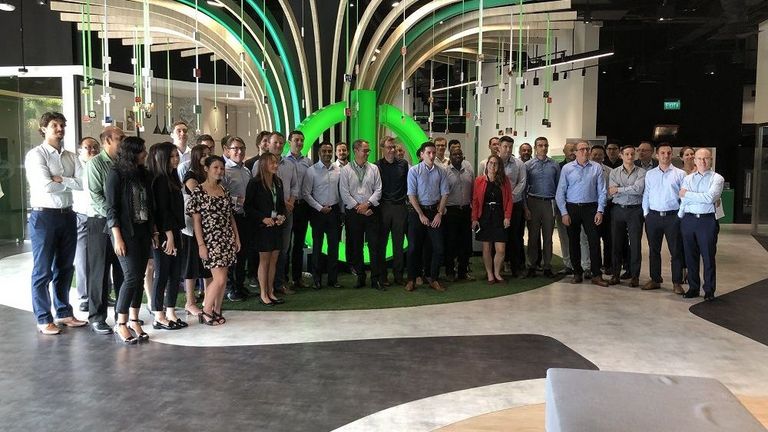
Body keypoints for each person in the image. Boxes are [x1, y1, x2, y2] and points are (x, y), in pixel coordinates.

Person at [25, 112, 87, 335]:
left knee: (65, 268)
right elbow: (46, 186)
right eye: (54, 125)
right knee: (42, 271)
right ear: (44, 129)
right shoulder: (36, 155)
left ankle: (64, 313)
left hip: (68, 215)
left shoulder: (71, 156)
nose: (60, 129)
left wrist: (61, 179)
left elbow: (83, 183)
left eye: (62, 125)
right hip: (44, 217)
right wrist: (68, 182)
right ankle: (43, 318)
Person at [105, 136, 152, 344]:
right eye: (142, 150)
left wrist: (154, 232)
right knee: (131, 277)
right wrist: (117, 237)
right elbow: (111, 209)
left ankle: (134, 319)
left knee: (139, 277)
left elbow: (149, 205)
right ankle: (121, 323)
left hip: (143, 231)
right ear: (132, 153)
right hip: (124, 232)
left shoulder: (143, 174)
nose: (145, 153)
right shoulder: (116, 173)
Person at [187, 155, 241, 325]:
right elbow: (196, 222)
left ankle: (217, 310)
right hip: (210, 239)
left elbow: (231, 217)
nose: (219, 171)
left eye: (222, 168)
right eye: (215, 167)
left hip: (226, 238)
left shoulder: (224, 190)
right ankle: (206, 310)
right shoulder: (198, 191)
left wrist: (236, 237)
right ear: (207, 169)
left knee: (223, 277)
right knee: (219, 279)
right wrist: (201, 245)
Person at [86, 126, 126, 335]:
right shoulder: (95, 164)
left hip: (121, 222)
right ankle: (97, 317)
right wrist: (115, 217)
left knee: (122, 270)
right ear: (107, 141)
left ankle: (122, 315)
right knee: (100, 271)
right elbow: (96, 196)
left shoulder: (123, 164)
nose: (123, 141)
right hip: (100, 222)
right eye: (120, 138)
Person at [555, 140, 609, 286]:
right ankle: (577, 273)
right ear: (576, 152)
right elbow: (560, 192)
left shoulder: (596, 167)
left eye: (587, 149)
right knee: (573, 242)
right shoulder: (567, 168)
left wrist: (600, 210)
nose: (585, 151)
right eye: (582, 149)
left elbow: (602, 191)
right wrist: (564, 213)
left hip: (591, 208)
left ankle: (596, 274)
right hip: (572, 208)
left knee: (594, 241)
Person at [148, 142, 187, 330]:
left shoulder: (172, 177)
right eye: (171, 156)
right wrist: (169, 235)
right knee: (162, 273)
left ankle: (171, 312)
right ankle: (158, 315)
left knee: (174, 273)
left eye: (176, 155)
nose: (176, 159)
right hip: (164, 234)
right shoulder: (159, 179)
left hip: (176, 230)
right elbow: (162, 211)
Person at [254, 132, 299, 295]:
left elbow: (295, 186)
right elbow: (256, 192)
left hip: (285, 214)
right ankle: (264, 288)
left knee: (282, 250)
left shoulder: (289, 165)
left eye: (281, 143)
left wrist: (290, 203)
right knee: (266, 254)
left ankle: (278, 284)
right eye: (275, 143)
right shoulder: (259, 165)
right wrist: (280, 204)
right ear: (268, 144)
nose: (278, 145)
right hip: (265, 218)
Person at [679, 148, 724, 301]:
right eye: (699, 158)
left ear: (711, 160)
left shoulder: (717, 178)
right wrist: (681, 216)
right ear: (695, 160)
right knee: (690, 256)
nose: (702, 161)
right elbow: (683, 200)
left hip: (707, 221)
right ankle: (693, 287)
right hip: (688, 220)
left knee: (708, 256)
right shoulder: (688, 178)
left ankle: (709, 290)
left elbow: (710, 198)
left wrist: (688, 194)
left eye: (706, 158)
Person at [642, 142, 686, 294]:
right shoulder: (650, 174)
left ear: (672, 154)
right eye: (662, 153)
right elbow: (647, 194)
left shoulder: (680, 174)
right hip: (653, 216)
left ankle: (676, 282)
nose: (666, 155)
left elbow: (684, 197)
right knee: (654, 250)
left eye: (668, 153)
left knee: (676, 251)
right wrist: (646, 213)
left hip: (673, 217)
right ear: (657, 155)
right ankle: (655, 279)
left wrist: (680, 215)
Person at [339, 139, 384, 290]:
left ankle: (376, 279)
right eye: (365, 150)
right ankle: (360, 276)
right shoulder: (345, 170)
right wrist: (359, 207)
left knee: (374, 246)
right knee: (356, 246)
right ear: (356, 151)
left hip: (371, 212)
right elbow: (344, 193)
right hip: (354, 213)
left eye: (368, 150)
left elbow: (378, 190)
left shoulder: (374, 168)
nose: (367, 153)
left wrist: (367, 204)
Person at [405, 141, 449, 292]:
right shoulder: (414, 171)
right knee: (413, 248)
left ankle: (433, 278)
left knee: (439, 248)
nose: (432, 155)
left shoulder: (441, 171)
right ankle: (411, 279)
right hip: (417, 212)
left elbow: (445, 194)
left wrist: (439, 214)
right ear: (422, 154)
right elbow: (411, 194)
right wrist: (420, 214)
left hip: (434, 212)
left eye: (433, 153)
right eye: (428, 153)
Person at [245, 152, 287, 305]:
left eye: (276, 162)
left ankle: (271, 291)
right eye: (272, 163)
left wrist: (282, 216)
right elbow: (248, 207)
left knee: (274, 260)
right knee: (264, 261)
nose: (275, 165)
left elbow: (281, 204)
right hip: (262, 228)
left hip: (276, 227)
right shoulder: (254, 183)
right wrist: (263, 218)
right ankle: (263, 293)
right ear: (263, 165)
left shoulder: (278, 182)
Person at [483, 136, 526, 277]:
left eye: (510, 147)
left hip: (514, 205)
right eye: (505, 146)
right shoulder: (492, 162)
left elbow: (522, 183)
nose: (508, 149)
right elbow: (485, 183)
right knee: (496, 238)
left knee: (514, 237)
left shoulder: (519, 164)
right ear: (499, 147)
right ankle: (496, 269)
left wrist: (509, 198)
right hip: (496, 207)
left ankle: (516, 268)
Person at [302, 141, 342, 289]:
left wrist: (342, 212)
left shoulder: (338, 170)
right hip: (318, 213)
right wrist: (319, 208)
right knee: (317, 247)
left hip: (334, 212)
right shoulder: (311, 171)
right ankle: (317, 280)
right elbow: (306, 193)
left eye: (329, 151)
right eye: (324, 151)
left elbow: (341, 193)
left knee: (334, 247)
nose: (327, 154)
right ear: (319, 153)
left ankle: (333, 279)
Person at [607, 145, 646, 287]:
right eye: (627, 154)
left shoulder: (642, 172)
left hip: (635, 211)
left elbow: (638, 189)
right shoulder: (614, 172)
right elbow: (611, 192)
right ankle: (616, 274)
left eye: (632, 154)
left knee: (635, 244)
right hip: (618, 210)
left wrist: (619, 189)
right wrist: (622, 190)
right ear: (621, 156)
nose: (630, 156)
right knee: (616, 243)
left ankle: (635, 276)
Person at [180, 144, 211, 317]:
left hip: (207, 226)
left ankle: (208, 298)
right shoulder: (190, 175)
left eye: (208, 154)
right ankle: (190, 302)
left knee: (208, 264)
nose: (206, 157)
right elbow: (201, 196)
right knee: (190, 265)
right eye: (203, 155)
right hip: (191, 227)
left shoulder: (209, 174)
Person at [472, 155, 512, 284]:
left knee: (501, 249)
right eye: (490, 163)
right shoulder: (479, 180)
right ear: (487, 164)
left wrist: (507, 216)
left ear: (499, 166)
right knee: (487, 248)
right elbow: (475, 201)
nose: (493, 166)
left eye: (495, 163)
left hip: (500, 216)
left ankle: (497, 273)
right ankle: (489, 274)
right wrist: (474, 218)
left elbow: (509, 200)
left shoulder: (505, 181)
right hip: (485, 216)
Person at [524, 137, 559, 278]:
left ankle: (547, 266)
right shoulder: (528, 165)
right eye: (540, 145)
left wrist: (558, 206)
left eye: (545, 145)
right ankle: (532, 265)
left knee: (548, 237)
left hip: (549, 202)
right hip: (533, 202)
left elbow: (559, 186)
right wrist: (526, 208)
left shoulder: (555, 165)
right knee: (532, 236)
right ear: (535, 147)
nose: (543, 148)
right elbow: (524, 188)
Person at [376, 136, 409, 286]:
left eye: (393, 147)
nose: (392, 150)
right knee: (381, 243)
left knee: (398, 243)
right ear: (382, 149)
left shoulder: (403, 164)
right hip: (383, 208)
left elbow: (407, 185)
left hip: (400, 208)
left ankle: (398, 276)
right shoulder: (376, 166)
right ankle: (382, 276)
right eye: (389, 147)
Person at [221, 136, 251, 302]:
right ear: (227, 151)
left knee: (243, 253)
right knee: (233, 254)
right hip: (232, 218)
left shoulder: (246, 171)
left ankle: (240, 284)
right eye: (235, 148)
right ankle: (231, 288)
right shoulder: (224, 171)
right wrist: (237, 200)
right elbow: (220, 195)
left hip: (246, 218)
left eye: (242, 148)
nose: (239, 151)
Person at [73, 136, 100, 312]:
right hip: (82, 215)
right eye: (88, 147)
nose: (92, 150)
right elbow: (79, 184)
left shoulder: (100, 165)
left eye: (95, 147)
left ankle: (101, 294)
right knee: (83, 258)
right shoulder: (77, 166)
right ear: (80, 150)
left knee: (101, 257)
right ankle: (84, 297)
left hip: (98, 216)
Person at [285, 130, 313, 289]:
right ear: (289, 142)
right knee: (286, 245)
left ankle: (297, 278)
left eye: (302, 140)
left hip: (303, 206)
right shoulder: (282, 161)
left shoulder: (308, 162)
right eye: (296, 140)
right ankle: (283, 279)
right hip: (288, 206)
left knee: (299, 244)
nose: (299, 143)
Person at [443, 145, 475, 282]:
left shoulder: (468, 171)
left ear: (463, 156)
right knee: (451, 242)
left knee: (466, 243)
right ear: (450, 157)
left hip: (466, 210)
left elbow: (473, 190)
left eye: (459, 154)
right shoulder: (445, 172)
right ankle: (450, 272)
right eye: (455, 154)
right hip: (451, 211)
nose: (457, 156)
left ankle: (463, 272)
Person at [555, 142, 577, 275]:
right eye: (570, 150)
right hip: (562, 207)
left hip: (577, 207)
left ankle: (582, 264)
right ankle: (568, 264)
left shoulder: (582, 165)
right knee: (564, 237)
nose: (573, 152)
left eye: (575, 149)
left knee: (580, 237)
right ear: (564, 151)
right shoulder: (558, 167)